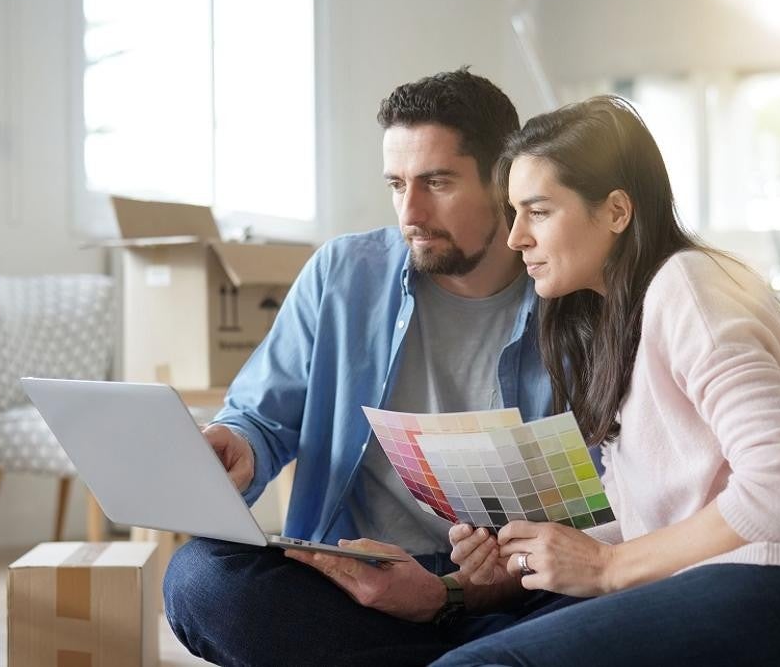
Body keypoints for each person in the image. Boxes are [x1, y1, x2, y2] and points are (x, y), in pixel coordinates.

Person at [435, 95, 780, 666]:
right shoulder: (616, 323)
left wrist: (606, 568)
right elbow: (663, 525)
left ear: (616, 211)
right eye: (514, 212)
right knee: (462, 646)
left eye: (539, 211)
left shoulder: (688, 285)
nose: (515, 237)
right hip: (754, 585)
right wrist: (527, 557)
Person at [163, 69, 591, 666]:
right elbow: (261, 418)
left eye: (437, 182)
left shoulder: (577, 299)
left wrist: (453, 592)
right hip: (358, 577)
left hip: (518, 586)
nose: (410, 211)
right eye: (397, 184)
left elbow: (606, 511)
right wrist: (237, 445)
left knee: (614, 604)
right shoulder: (342, 273)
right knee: (200, 578)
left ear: (506, 180)